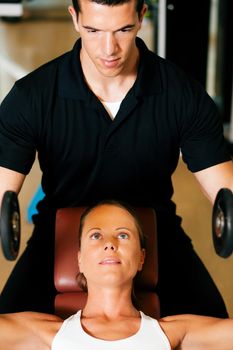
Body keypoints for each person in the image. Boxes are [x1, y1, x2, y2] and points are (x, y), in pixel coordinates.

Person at [0, 0, 233, 317]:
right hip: (62, 233)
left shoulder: (182, 95)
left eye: (122, 29)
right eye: (94, 30)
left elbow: (223, 189)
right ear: (75, 18)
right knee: (7, 327)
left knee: (215, 324)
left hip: (154, 230)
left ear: (141, 17)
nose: (109, 49)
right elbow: (3, 190)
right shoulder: (32, 96)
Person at [1, 200, 233, 350]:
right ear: (79, 258)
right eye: (95, 236)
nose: (109, 244)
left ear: (142, 257)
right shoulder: (46, 333)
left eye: (123, 235)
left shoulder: (173, 332)